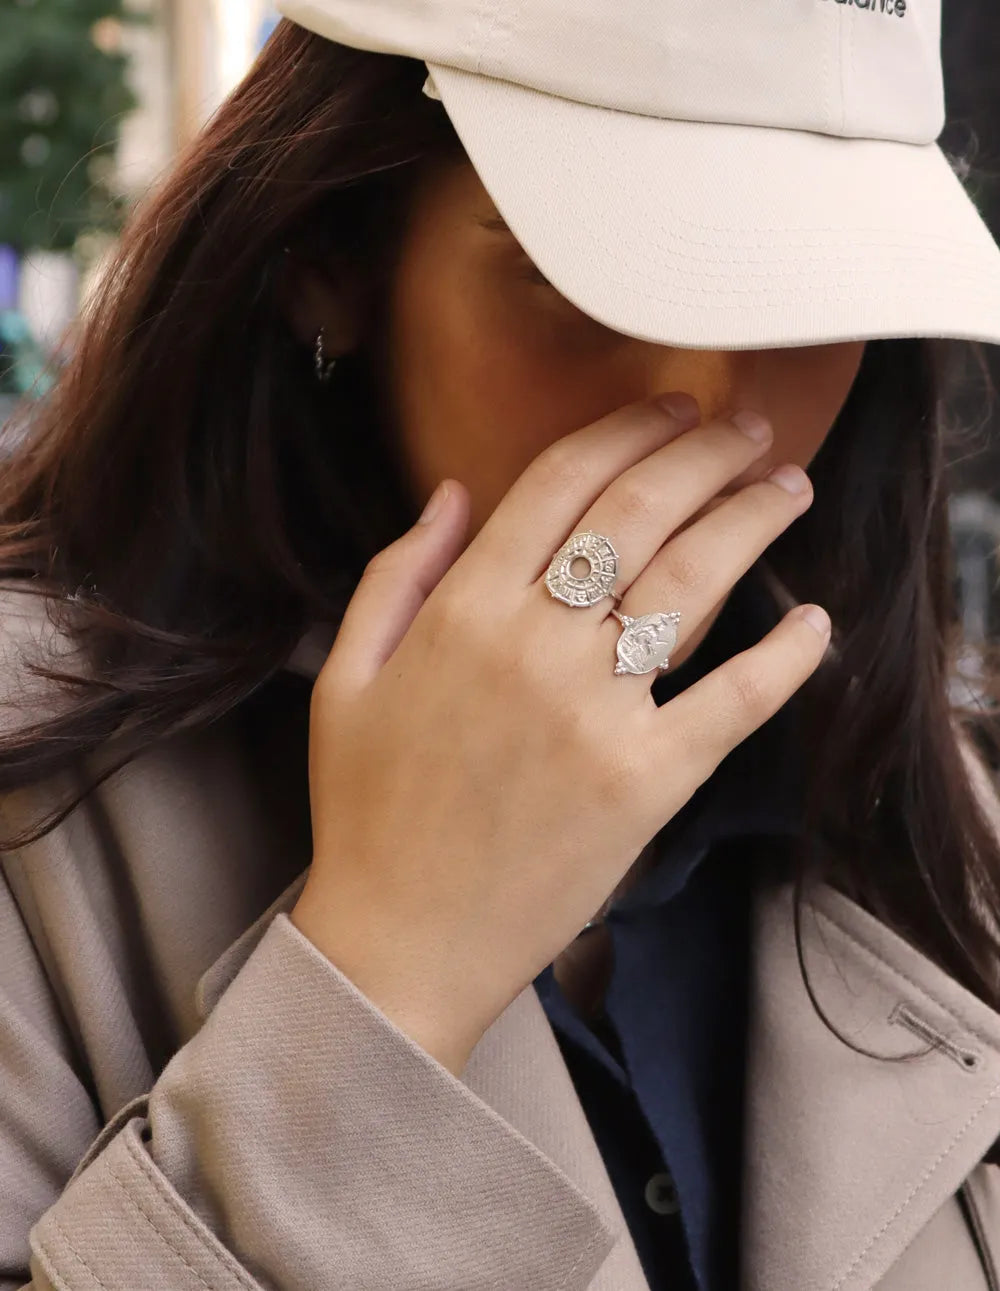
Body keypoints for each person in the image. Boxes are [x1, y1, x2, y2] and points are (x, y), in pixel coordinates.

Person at [1, 2, 1000, 1289]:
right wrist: (386, 974)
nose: (709, 401)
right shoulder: (38, 797)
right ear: (329, 253)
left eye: (800, 294)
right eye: (581, 281)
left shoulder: (938, 823)